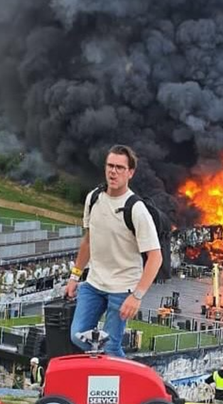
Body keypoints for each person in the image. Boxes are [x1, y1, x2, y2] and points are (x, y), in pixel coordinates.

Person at [66, 144, 162, 357]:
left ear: (130, 173)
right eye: (110, 166)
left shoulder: (136, 209)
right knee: (77, 335)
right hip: (94, 283)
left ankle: (123, 384)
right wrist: (75, 276)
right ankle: (105, 368)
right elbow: (88, 241)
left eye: (120, 167)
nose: (113, 171)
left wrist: (137, 296)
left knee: (110, 346)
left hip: (122, 288)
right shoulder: (93, 198)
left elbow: (155, 256)